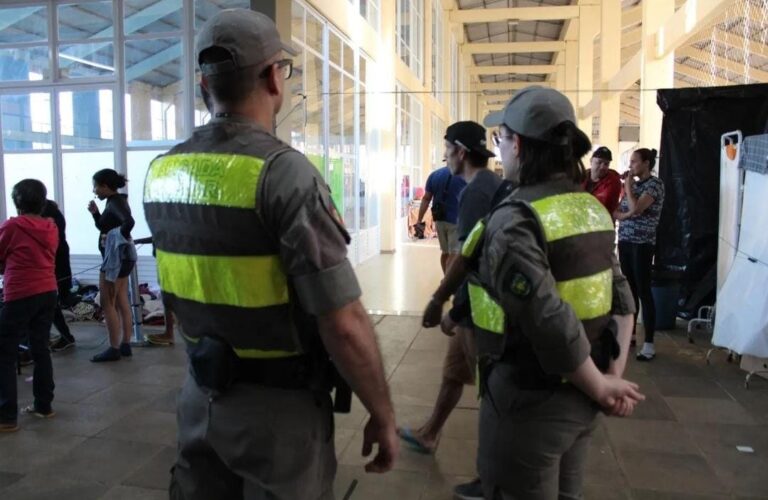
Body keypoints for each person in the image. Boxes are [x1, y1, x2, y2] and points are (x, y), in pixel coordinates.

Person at [143, 9, 397, 499]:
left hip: (199, 400)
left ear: (203, 86)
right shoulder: (284, 175)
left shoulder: (162, 173)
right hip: (278, 419)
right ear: (272, 78)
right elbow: (342, 322)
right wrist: (382, 414)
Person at [469, 86, 644, 499]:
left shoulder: (516, 219)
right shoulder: (589, 208)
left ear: (521, 146)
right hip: (582, 400)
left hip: (530, 404)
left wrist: (602, 388)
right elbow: (622, 298)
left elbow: (547, 318)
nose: (500, 150)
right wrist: (606, 381)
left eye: (501, 140)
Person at [0, 179, 59, 432]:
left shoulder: (13, 226)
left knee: (5, 353)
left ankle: (6, 417)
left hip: (21, 292)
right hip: (48, 290)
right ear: (43, 202)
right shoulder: (51, 226)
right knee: (40, 348)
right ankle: (44, 405)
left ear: (17, 202)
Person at [614, 148, 665, 361]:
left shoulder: (655, 185)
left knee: (644, 290)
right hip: (625, 241)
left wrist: (627, 188)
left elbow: (637, 209)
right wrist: (626, 214)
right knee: (629, 290)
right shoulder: (633, 186)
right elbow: (617, 211)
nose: (631, 166)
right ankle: (631, 335)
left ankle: (649, 343)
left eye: (634, 162)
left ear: (646, 163)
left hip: (642, 245)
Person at [88, 169, 137, 363]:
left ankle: (114, 347)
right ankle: (125, 344)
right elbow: (103, 226)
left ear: (105, 186)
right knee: (121, 300)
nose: (94, 191)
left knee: (107, 302)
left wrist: (116, 237)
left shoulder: (116, 202)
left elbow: (128, 223)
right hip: (125, 258)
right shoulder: (116, 201)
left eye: (96, 186)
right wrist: (95, 214)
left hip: (116, 259)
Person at [417, 164, 467, 272]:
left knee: (445, 252)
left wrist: (419, 219)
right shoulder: (464, 175)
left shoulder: (434, 175)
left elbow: (426, 199)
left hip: (439, 220)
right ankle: (450, 282)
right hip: (456, 220)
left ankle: (446, 277)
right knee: (455, 254)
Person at [41, 200, 76, 352]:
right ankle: (64, 336)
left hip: (52, 270)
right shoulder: (55, 218)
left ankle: (63, 336)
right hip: (56, 269)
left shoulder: (49, 223)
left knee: (50, 304)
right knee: (51, 305)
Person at [583, 146, 622, 215]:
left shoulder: (613, 182)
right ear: (591, 161)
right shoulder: (580, 177)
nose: (602, 167)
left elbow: (602, 205)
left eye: (606, 164)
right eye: (599, 162)